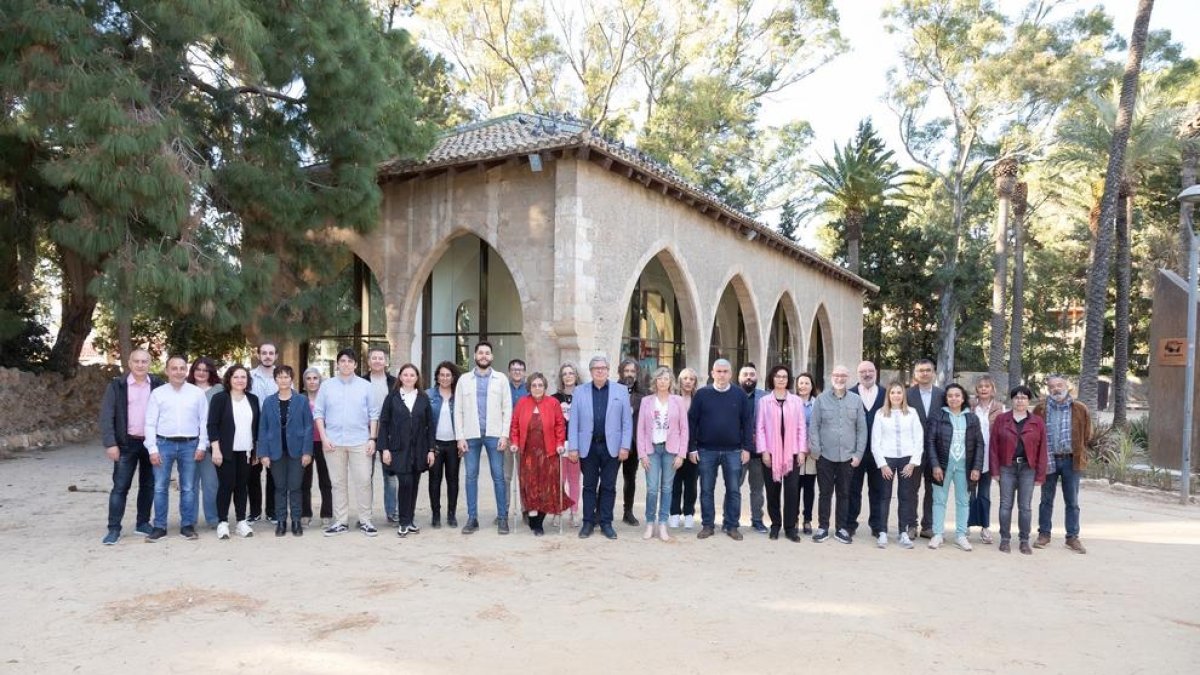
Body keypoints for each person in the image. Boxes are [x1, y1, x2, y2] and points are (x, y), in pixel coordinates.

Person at [314, 348, 381, 537]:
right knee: (338, 483)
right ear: (338, 364)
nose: (346, 364)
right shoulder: (327, 386)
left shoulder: (365, 386)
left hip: (360, 441)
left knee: (363, 481)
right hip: (333, 442)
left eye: (350, 361)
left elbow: (373, 414)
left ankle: (366, 520)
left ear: (356, 365)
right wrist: (324, 438)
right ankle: (341, 521)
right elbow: (318, 413)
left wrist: (372, 438)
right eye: (342, 361)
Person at [100, 348, 163, 545]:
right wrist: (110, 443)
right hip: (126, 443)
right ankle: (114, 529)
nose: (140, 365)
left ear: (150, 363)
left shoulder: (158, 385)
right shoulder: (117, 386)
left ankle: (142, 523)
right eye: (136, 361)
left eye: (144, 361)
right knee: (120, 487)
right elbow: (106, 415)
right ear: (129, 363)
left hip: (151, 443)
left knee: (149, 485)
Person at [567, 355, 633, 540]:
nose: (600, 371)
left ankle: (606, 523)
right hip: (587, 447)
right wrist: (573, 448)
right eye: (596, 368)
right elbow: (574, 423)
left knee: (608, 486)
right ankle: (588, 522)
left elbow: (627, 422)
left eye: (603, 367)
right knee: (589, 486)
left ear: (608, 369)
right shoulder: (580, 391)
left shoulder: (620, 391)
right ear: (591, 371)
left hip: (612, 447)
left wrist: (625, 446)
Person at [144, 355, 209, 541]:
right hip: (163, 444)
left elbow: (204, 421)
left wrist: (202, 445)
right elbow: (149, 423)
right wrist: (152, 449)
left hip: (190, 444)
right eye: (174, 368)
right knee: (159, 487)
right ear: (167, 371)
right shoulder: (158, 394)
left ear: (186, 371)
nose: (178, 372)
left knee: (188, 487)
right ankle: (160, 527)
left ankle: (187, 525)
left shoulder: (197, 393)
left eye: (182, 368)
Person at [688, 359, 755, 541]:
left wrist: (747, 448)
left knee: (733, 490)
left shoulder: (739, 395)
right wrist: (692, 448)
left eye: (725, 371)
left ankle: (731, 525)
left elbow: (747, 423)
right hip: (706, 450)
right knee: (706, 490)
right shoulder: (702, 394)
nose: (722, 374)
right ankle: (708, 525)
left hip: (733, 451)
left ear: (731, 374)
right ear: (712, 373)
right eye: (718, 371)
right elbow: (692, 423)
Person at [454, 341, 514, 535]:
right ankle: (472, 518)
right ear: (474, 355)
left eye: (487, 353)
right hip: (471, 436)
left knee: (498, 476)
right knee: (471, 476)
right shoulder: (464, 379)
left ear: (492, 357)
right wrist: (460, 437)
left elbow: (507, 408)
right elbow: (458, 410)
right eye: (480, 353)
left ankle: (503, 518)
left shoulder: (501, 379)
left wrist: (505, 434)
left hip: (495, 435)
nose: (484, 356)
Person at [808, 365, 868, 544]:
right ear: (831, 376)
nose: (839, 378)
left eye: (843, 375)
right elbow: (814, 426)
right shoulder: (821, 399)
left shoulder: (856, 400)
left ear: (848, 378)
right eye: (836, 375)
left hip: (848, 458)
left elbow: (862, 429)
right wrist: (816, 451)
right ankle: (823, 527)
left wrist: (858, 454)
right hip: (825, 456)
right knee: (824, 493)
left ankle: (841, 528)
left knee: (844, 493)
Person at [1033, 375, 1092, 554]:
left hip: (1070, 460)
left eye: (1059, 385)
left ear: (1067, 387)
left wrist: (1079, 450)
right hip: (1048, 459)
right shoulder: (1040, 409)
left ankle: (1072, 537)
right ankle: (1044, 534)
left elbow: (1088, 434)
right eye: (1052, 386)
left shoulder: (1080, 408)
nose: (1056, 389)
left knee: (1072, 501)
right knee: (1046, 500)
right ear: (1048, 389)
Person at [510, 372, 572, 536]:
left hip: (548, 452)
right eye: (534, 385)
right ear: (529, 387)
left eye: (540, 385)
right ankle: (532, 516)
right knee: (530, 485)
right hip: (528, 452)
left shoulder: (552, 403)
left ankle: (539, 523)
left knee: (546, 487)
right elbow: (515, 425)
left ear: (545, 387)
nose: (537, 388)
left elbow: (560, 425)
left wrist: (560, 444)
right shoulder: (522, 403)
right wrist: (515, 442)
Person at [926, 383, 985, 551]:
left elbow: (979, 444)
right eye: (950, 395)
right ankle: (938, 534)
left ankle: (960, 535)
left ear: (963, 398)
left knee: (963, 500)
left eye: (957, 395)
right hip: (943, 464)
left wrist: (976, 467)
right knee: (939, 499)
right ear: (946, 398)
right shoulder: (938, 416)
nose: (954, 398)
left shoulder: (972, 418)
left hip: (964, 465)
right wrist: (935, 464)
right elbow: (930, 442)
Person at [990, 385, 1048, 555]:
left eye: (1024, 397)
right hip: (1007, 467)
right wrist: (995, 470)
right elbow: (994, 446)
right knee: (1005, 505)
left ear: (1029, 401)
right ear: (1012, 400)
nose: (1020, 400)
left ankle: (1024, 541)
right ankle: (1005, 539)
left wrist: (1040, 474)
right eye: (1017, 397)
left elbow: (1042, 449)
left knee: (1025, 507)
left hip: (1028, 469)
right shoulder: (1002, 419)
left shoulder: (1037, 422)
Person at [379, 364, 435, 537]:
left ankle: (409, 520)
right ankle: (403, 522)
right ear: (400, 377)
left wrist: (431, 449)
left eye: (412, 375)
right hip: (398, 449)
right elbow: (384, 424)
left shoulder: (423, 398)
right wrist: (384, 449)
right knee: (405, 483)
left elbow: (430, 425)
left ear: (417, 378)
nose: (409, 378)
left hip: (418, 449)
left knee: (415, 484)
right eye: (405, 374)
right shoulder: (392, 398)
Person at [258, 365, 314, 537]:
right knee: (280, 487)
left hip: (297, 451)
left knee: (296, 487)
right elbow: (263, 428)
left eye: (286, 377)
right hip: (276, 451)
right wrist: (264, 453)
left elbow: (308, 427)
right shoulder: (268, 402)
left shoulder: (301, 400)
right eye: (280, 377)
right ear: (275, 380)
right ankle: (281, 521)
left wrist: (307, 452)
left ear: (292, 379)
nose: (283, 380)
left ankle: (296, 520)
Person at [207, 364, 260, 539]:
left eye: (243, 377)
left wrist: (255, 452)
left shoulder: (252, 399)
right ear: (229, 379)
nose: (240, 380)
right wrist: (216, 449)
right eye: (236, 377)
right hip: (225, 451)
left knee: (242, 486)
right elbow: (212, 425)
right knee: (226, 485)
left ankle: (240, 522)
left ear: (248, 380)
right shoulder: (220, 398)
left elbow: (256, 427)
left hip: (246, 451)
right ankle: (222, 522)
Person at [755, 364, 807, 542]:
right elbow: (760, 428)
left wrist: (801, 450)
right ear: (772, 378)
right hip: (771, 453)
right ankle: (775, 525)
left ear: (788, 380)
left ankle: (791, 527)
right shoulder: (764, 402)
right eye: (778, 376)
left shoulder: (796, 401)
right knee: (772, 491)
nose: (781, 379)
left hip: (792, 453)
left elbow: (801, 427)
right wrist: (764, 451)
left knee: (792, 491)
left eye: (784, 377)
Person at [637, 367, 688, 541]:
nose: (663, 381)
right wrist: (642, 454)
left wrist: (681, 454)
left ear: (671, 381)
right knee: (652, 489)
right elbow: (641, 430)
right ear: (655, 381)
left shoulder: (678, 401)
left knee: (667, 488)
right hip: (651, 450)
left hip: (670, 450)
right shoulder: (646, 401)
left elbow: (684, 429)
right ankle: (650, 523)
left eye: (666, 378)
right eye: (659, 378)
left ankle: (663, 523)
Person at [871, 381, 923, 549]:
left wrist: (913, 462)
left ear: (903, 395)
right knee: (884, 496)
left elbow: (919, 438)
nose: (896, 395)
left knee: (905, 497)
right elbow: (875, 442)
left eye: (899, 392)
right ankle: (883, 532)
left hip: (906, 460)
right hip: (887, 459)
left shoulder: (912, 413)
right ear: (888, 395)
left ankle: (903, 532)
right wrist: (882, 464)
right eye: (892, 392)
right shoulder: (881, 414)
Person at [906, 358, 946, 539]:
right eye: (921, 370)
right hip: (912, 450)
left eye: (928, 370)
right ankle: (910, 524)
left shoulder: (942, 395)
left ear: (933, 373)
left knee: (933, 489)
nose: (924, 373)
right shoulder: (907, 395)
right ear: (915, 374)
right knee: (910, 489)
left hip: (937, 451)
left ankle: (928, 526)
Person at [849, 361, 886, 538]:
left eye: (870, 370)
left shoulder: (886, 394)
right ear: (858, 374)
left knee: (878, 490)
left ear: (876, 372)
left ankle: (877, 525)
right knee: (852, 489)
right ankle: (849, 524)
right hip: (856, 452)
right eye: (863, 371)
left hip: (879, 452)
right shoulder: (850, 394)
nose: (867, 374)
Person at [363, 347, 398, 524]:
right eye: (373, 358)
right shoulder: (360, 381)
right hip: (364, 433)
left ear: (386, 361)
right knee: (365, 477)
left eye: (381, 358)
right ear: (368, 362)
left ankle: (392, 513)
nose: (377, 361)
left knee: (390, 476)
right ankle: (365, 515)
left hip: (388, 434)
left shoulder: (395, 382)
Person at [969, 375, 1005, 544]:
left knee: (984, 494)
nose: (983, 389)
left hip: (989, 457)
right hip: (971, 456)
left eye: (987, 386)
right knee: (968, 493)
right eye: (980, 386)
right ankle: (966, 525)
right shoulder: (970, 406)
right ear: (977, 389)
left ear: (992, 389)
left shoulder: (999, 408)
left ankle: (985, 527)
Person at [187, 357, 223, 530]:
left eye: (205, 370)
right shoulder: (185, 389)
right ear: (193, 371)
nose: (201, 373)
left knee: (211, 483)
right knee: (190, 484)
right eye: (198, 369)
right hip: (188, 443)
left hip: (211, 443)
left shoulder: (219, 390)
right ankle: (189, 520)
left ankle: (213, 518)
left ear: (211, 372)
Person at [428, 361, 462, 528]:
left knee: (453, 480)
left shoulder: (459, 396)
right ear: (437, 376)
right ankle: (435, 514)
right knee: (434, 480)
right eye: (442, 375)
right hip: (436, 445)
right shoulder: (428, 395)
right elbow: (425, 423)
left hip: (454, 445)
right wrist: (429, 446)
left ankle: (451, 514)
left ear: (453, 377)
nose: (445, 378)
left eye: (448, 375)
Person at [247, 342, 278, 523]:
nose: (267, 356)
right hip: (252, 429)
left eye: (271, 353)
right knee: (253, 472)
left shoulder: (282, 377)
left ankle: (272, 511)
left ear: (276, 356)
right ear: (258, 355)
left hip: (275, 431)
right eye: (264, 353)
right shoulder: (249, 377)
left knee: (274, 473)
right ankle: (255, 511)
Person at [737, 363, 769, 534]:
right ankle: (731, 519)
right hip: (738, 451)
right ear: (739, 377)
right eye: (745, 374)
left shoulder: (765, 397)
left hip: (758, 453)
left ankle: (757, 520)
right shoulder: (732, 395)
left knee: (757, 489)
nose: (749, 377)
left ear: (757, 377)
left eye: (752, 374)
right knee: (734, 487)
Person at [668, 367, 700, 529]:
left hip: (693, 448)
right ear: (680, 381)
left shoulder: (699, 400)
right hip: (674, 447)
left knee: (691, 483)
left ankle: (688, 513)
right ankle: (674, 513)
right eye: (685, 378)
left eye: (691, 379)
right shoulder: (671, 399)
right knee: (674, 482)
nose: (688, 381)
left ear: (695, 382)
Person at [300, 368, 333, 526]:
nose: (312, 381)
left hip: (324, 443)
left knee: (325, 479)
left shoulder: (327, 399)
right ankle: (305, 512)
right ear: (304, 382)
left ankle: (327, 513)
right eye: (309, 378)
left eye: (315, 378)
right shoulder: (299, 399)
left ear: (320, 380)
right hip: (305, 444)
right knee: (304, 481)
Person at [552, 362, 581, 528]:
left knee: (574, 480)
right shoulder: (555, 398)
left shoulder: (583, 395)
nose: (568, 376)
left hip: (577, 444)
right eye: (565, 374)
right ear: (561, 378)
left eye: (571, 373)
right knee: (560, 480)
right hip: (560, 445)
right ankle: (557, 511)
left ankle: (574, 512)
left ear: (576, 376)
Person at [618, 358, 644, 526]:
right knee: (608, 479)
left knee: (630, 479)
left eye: (632, 371)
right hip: (614, 442)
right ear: (621, 372)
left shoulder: (643, 394)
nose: (629, 374)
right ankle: (601, 513)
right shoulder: (612, 390)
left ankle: (628, 512)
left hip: (633, 443)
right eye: (626, 371)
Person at [794, 372, 820, 534]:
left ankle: (808, 520)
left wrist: (811, 446)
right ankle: (794, 518)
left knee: (809, 488)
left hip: (812, 452)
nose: (803, 386)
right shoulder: (791, 403)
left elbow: (819, 427)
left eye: (806, 383)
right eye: (800, 383)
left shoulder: (818, 404)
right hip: (795, 451)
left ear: (812, 386)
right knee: (794, 487)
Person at [505, 358, 528, 524]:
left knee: (524, 476)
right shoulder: (502, 387)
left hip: (526, 438)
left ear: (524, 372)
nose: (517, 372)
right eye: (514, 369)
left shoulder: (531, 388)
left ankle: (526, 510)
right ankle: (503, 510)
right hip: (506, 437)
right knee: (506, 476)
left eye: (520, 369)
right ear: (509, 372)